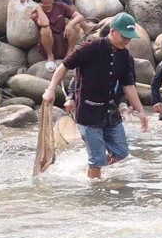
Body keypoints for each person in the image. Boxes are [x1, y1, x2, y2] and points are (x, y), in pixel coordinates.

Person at [44, 13, 148, 180]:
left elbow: (128, 85)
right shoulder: (92, 47)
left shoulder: (125, 56)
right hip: (88, 111)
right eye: (124, 36)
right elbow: (65, 66)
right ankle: (95, 185)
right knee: (97, 161)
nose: (126, 41)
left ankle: (90, 169)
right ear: (112, 31)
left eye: (129, 38)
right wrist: (50, 89)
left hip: (109, 111)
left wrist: (141, 111)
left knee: (121, 152)